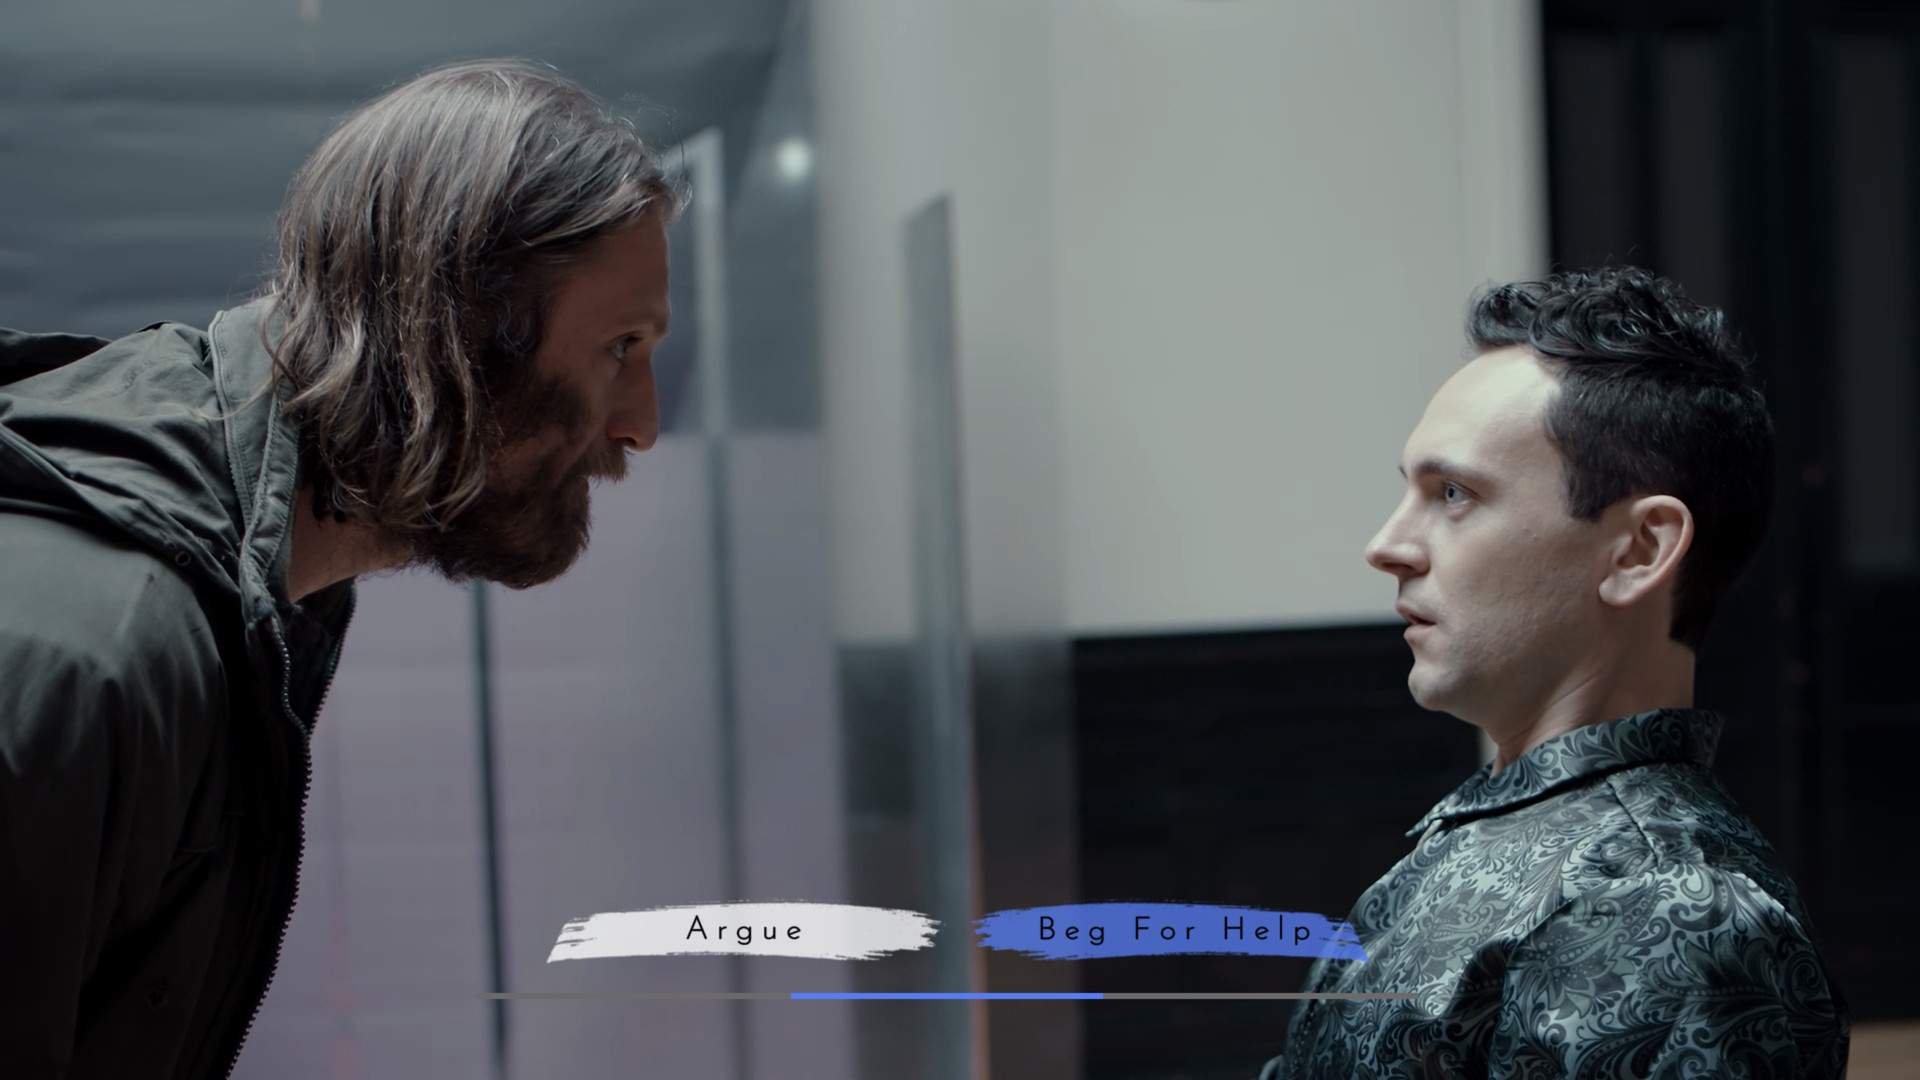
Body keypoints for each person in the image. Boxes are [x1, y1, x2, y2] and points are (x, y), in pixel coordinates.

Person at [0, 59, 678, 1078]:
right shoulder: (98, 645)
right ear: (453, 333)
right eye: (619, 347)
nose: (643, 425)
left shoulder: (263, 593)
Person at [1258, 268, 1848, 1078]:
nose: (1387, 545)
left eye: (1453, 493)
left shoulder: (1673, 907)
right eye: (1412, 492)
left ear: (1639, 549)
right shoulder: (1514, 828)